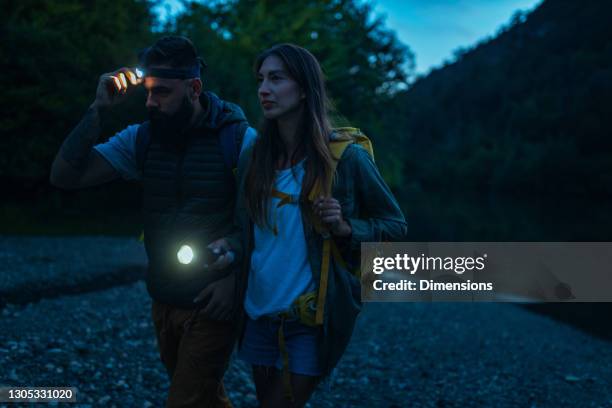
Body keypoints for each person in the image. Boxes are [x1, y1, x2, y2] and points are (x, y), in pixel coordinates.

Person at [49, 36, 255, 407]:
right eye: (147, 92)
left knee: (185, 400)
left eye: (161, 93)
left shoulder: (240, 140)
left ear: (194, 88)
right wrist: (98, 109)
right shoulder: (142, 139)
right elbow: (65, 176)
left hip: (213, 301)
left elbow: (265, 219)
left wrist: (234, 278)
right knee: (203, 395)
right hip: (162, 296)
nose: (150, 103)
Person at [225, 44, 407, 408]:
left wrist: (344, 227)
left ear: (305, 88)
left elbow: (394, 226)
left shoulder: (346, 157)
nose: (264, 89)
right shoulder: (254, 157)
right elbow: (245, 232)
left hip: (310, 317)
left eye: (276, 79)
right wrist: (226, 249)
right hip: (257, 312)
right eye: (261, 79)